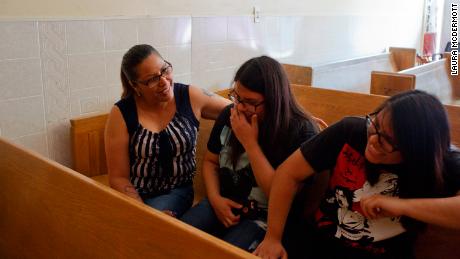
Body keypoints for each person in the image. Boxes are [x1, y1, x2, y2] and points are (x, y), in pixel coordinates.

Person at [254, 90, 460, 259]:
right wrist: (273, 237)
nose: (372, 140)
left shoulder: (443, 162)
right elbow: (288, 173)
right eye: (375, 125)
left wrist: (401, 206)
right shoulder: (351, 131)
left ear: (415, 150)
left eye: (386, 140)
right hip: (318, 244)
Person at [180, 56, 322, 251]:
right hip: (223, 202)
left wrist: (250, 143)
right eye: (236, 96)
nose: (239, 106)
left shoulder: (300, 132)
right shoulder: (230, 114)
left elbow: (278, 196)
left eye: (250, 102)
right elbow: (211, 162)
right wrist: (215, 198)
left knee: (228, 251)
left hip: (268, 219)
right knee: (178, 235)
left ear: (274, 99)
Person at [104, 44, 230, 218]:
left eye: (165, 70)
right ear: (135, 86)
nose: (164, 81)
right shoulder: (122, 113)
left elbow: (232, 111)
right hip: (134, 193)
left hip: (177, 191)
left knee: (152, 223)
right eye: (152, 79)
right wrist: (141, 210)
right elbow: (118, 177)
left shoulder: (189, 96)